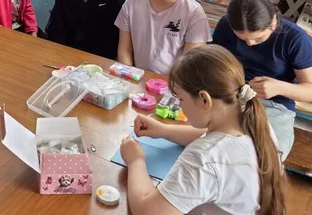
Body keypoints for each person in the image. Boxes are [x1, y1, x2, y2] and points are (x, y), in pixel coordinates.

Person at [120, 44, 284, 215]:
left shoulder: (204, 158)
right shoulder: (255, 122)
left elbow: (147, 211)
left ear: (204, 100)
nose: (179, 105)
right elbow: (212, 138)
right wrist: (164, 130)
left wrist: (135, 160)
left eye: (180, 99)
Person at [213, 0, 312, 160]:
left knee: (266, 158)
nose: (250, 43)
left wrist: (279, 87)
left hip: (274, 105)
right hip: (231, 95)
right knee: (208, 146)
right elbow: (215, 61)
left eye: (258, 38)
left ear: (272, 22)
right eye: (242, 38)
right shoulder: (225, 25)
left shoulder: (295, 38)